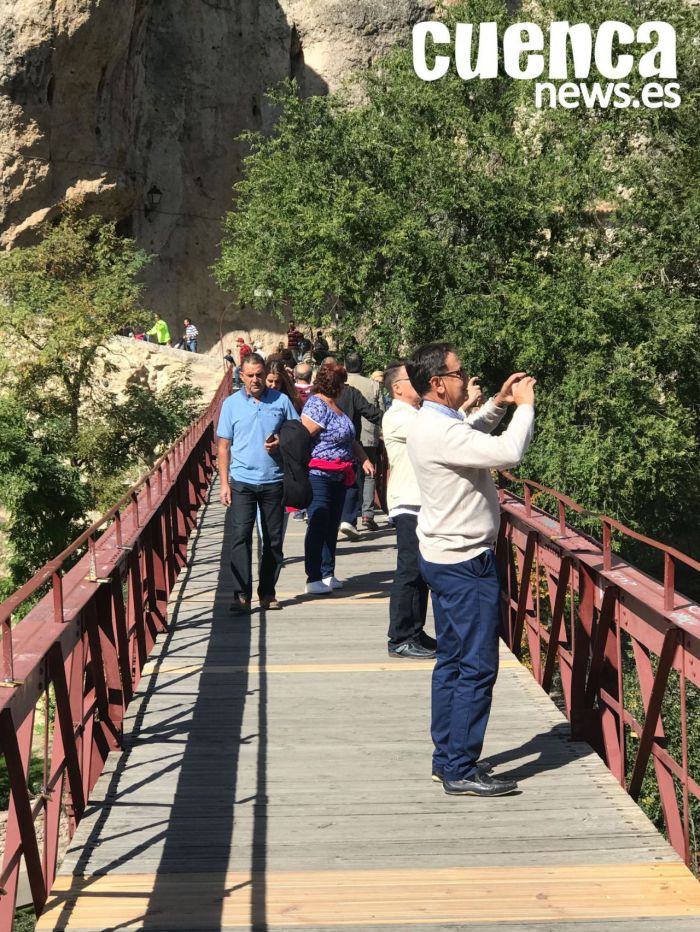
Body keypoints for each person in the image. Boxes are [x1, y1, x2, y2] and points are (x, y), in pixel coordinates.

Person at [406, 342, 536, 798]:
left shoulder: (436, 422)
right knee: (477, 667)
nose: (467, 380)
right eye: (460, 374)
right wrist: (524, 408)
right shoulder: (439, 430)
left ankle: (448, 757)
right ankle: (460, 768)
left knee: (453, 662)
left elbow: (468, 433)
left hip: (444, 557)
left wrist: (498, 403)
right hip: (465, 564)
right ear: (438, 384)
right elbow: (507, 453)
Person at [217, 353, 300, 613]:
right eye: (250, 375)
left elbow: (296, 435)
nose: (256, 380)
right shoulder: (231, 404)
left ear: (266, 374)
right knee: (240, 538)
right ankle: (241, 595)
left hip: (273, 481)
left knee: (273, 541)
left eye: (259, 375)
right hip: (241, 481)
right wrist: (223, 484)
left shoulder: (281, 401)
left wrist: (280, 443)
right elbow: (223, 446)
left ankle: (267, 593)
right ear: (241, 376)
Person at [300, 361, 374, 595]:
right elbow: (304, 436)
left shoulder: (336, 406)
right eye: (340, 382)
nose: (343, 387)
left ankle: (327, 573)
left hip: (340, 474)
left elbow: (349, 439)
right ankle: (313, 577)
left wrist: (363, 458)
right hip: (319, 474)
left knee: (331, 525)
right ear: (332, 384)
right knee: (318, 523)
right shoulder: (316, 405)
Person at [382, 361, 434, 659]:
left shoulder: (414, 413)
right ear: (397, 388)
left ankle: (415, 631)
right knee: (409, 571)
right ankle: (400, 637)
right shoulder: (398, 416)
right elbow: (435, 433)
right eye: (411, 379)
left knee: (419, 571)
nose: (419, 382)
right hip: (409, 503)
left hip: (420, 502)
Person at [344, 352, 384, 532]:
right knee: (369, 474)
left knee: (350, 474)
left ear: (345, 365)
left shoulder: (341, 385)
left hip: (347, 436)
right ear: (362, 365)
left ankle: (349, 516)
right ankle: (367, 513)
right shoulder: (373, 385)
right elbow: (380, 411)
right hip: (369, 435)